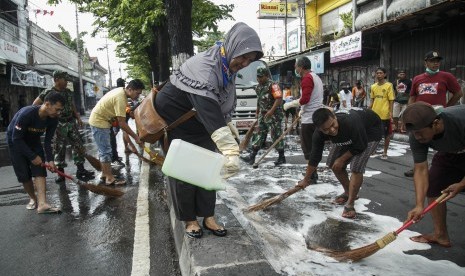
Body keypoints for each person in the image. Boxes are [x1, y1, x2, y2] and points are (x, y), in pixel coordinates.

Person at [154, 22, 263, 239]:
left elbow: (219, 103)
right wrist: (231, 150)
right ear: (234, 46)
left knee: (208, 169)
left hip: (200, 123)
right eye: (243, 57)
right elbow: (207, 105)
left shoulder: (226, 67)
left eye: (249, 61)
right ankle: (190, 220)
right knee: (185, 173)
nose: (244, 63)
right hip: (177, 122)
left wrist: (227, 122)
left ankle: (208, 216)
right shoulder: (204, 66)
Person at [297, 107, 382, 218]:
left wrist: (342, 159)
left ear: (334, 117)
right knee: (333, 163)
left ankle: (350, 204)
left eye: (332, 124)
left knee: (356, 167)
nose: (331, 130)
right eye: (326, 129)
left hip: (370, 132)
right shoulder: (318, 134)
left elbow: (360, 146)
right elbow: (314, 157)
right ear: (319, 129)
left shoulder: (350, 121)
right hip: (349, 134)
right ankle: (348, 192)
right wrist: (306, 179)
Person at [402, 102, 465, 248]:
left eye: (420, 133)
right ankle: (440, 235)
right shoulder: (416, 134)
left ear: (435, 123)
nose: (417, 137)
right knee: (434, 186)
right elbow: (421, 169)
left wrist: (462, 184)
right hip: (450, 152)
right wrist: (419, 205)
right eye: (413, 133)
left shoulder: (460, 122)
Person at [404, 51, 463, 177]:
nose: (436, 63)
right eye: (432, 60)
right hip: (420, 118)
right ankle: (418, 167)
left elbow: (458, 93)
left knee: (438, 144)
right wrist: (409, 113)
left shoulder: (446, 76)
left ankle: (437, 169)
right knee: (418, 143)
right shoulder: (417, 78)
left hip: (437, 118)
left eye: (438, 61)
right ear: (425, 62)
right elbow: (413, 96)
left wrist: (447, 107)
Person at [7, 91, 65, 214]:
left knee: (39, 169)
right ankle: (33, 198)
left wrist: (50, 160)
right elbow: (16, 138)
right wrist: (32, 156)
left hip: (34, 141)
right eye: (57, 109)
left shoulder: (52, 119)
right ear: (47, 104)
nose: (58, 113)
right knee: (24, 174)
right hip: (16, 141)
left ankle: (42, 204)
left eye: (61, 110)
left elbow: (48, 141)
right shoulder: (27, 114)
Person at [33, 71, 95, 182]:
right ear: (57, 79)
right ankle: (60, 173)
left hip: (70, 121)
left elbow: (72, 105)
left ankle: (81, 170)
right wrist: (44, 119)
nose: (66, 82)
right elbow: (35, 104)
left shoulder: (68, 92)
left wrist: (78, 118)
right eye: (64, 79)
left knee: (78, 145)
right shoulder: (48, 92)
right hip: (57, 123)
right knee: (59, 148)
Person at [89, 79, 144, 186]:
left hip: (101, 120)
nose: (138, 96)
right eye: (137, 93)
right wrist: (136, 138)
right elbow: (122, 124)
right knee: (106, 151)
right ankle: (109, 178)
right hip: (99, 122)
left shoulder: (120, 91)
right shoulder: (121, 98)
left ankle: (105, 175)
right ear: (130, 89)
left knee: (104, 150)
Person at [284, 56, 324, 183]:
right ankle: (313, 172)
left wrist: (290, 104)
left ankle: (311, 175)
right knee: (314, 147)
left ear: (301, 67)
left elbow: (305, 99)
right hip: (316, 116)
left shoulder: (307, 78)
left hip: (310, 119)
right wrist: (302, 109)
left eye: (296, 66)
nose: (295, 69)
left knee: (308, 148)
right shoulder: (316, 77)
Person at [241, 67, 285, 166]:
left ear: (266, 76)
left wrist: (271, 111)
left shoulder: (273, 86)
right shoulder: (258, 87)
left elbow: (278, 99)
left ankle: (281, 157)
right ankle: (252, 156)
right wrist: (257, 113)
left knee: (276, 134)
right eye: (258, 77)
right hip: (263, 113)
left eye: (261, 77)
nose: (259, 79)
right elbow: (259, 100)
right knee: (259, 134)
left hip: (274, 115)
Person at [369, 67, 395, 160]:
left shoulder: (389, 85)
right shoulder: (373, 86)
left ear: (385, 74)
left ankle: (385, 151)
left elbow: (391, 100)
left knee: (386, 134)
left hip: (385, 114)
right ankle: (373, 149)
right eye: (377, 73)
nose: (379, 75)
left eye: (381, 73)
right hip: (375, 114)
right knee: (374, 133)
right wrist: (368, 110)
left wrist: (391, 113)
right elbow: (372, 100)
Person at [108, 77, 126, 169]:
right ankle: (112, 159)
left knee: (113, 141)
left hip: (111, 121)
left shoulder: (117, 91)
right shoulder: (119, 93)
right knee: (110, 141)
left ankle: (115, 157)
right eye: (123, 83)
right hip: (109, 121)